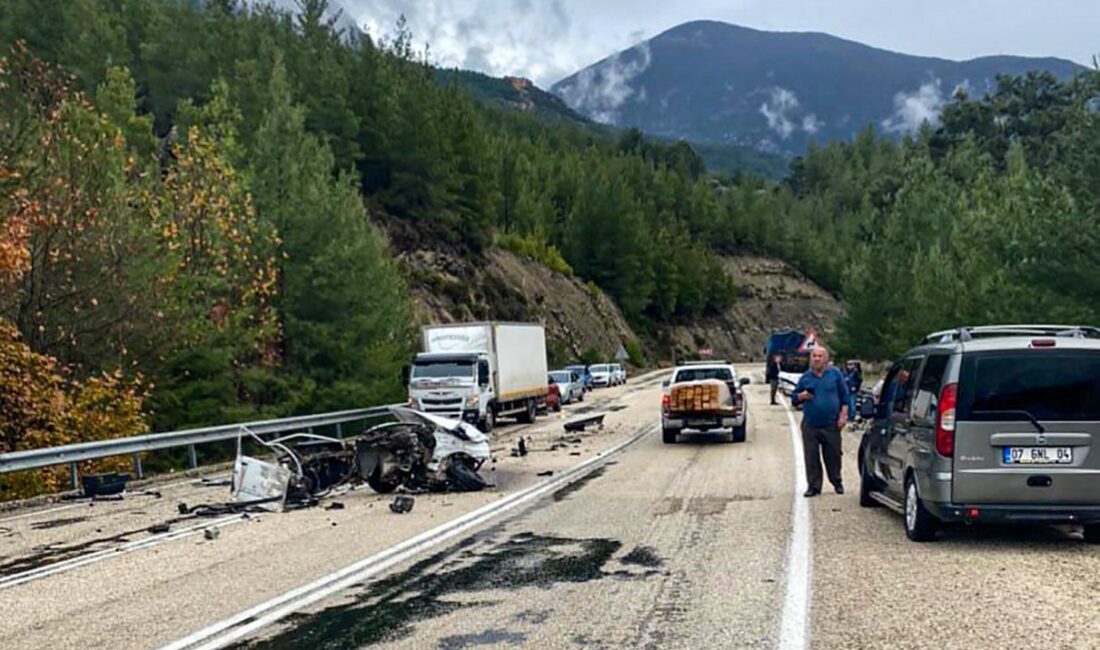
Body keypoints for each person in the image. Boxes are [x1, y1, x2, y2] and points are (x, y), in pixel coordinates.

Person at [791, 346, 849, 497]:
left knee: (834, 455)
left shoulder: (835, 374)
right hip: (811, 424)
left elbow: (845, 397)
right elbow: (794, 398)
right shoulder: (806, 378)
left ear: (826, 359)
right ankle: (814, 486)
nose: (816, 359)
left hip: (831, 424)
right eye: (814, 356)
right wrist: (802, 396)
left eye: (819, 356)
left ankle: (837, 481)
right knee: (811, 457)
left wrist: (843, 416)